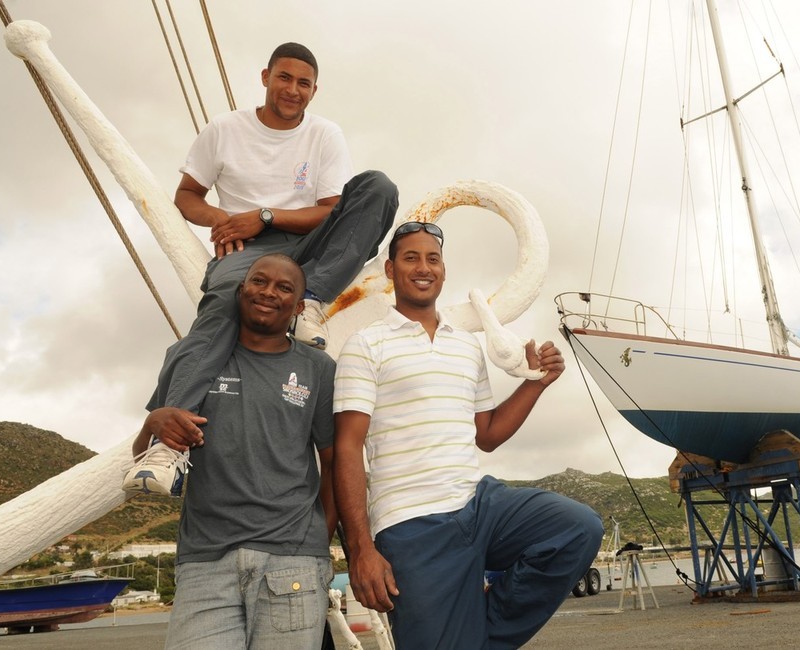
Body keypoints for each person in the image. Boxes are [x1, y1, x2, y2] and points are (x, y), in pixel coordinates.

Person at [333, 221, 603, 649]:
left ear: (443, 271)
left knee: (576, 527)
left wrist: (536, 382)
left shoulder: (466, 345)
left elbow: (488, 435)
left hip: (479, 506)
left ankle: (478, 636)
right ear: (390, 270)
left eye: (433, 259)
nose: (424, 267)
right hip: (410, 524)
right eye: (411, 258)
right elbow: (347, 448)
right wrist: (361, 549)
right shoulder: (365, 345)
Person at [162, 41, 397, 413]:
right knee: (222, 304)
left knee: (378, 186)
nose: (292, 90)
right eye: (284, 77)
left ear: (314, 91)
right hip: (249, 250)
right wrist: (222, 220)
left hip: (313, 242)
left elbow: (331, 209)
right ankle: (170, 432)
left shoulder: (325, 134)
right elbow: (187, 195)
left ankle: (310, 302)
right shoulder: (224, 128)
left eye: (304, 83)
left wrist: (265, 215)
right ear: (265, 77)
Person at [132, 253, 337, 649]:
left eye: (284, 287)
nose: (268, 293)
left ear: (298, 307)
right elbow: (144, 458)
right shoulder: (191, 358)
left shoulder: (318, 368)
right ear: (241, 290)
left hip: (292, 561)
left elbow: (332, 462)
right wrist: (150, 424)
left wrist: (314, 544)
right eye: (259, 281)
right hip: (205, 562)